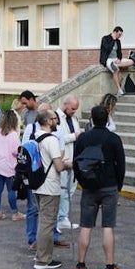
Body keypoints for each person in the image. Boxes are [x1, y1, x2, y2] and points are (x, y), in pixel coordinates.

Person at [73, 105, 128, 269]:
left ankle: (80, 265)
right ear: (107, 119)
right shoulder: (113, 139)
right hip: (109, 185)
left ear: (91, 119)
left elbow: (76, 162)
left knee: (85, 226)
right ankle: (109, 267)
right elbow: (121, 165)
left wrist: (82, 182)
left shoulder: (83, 138)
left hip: (89, 186)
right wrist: (117, 187)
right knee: (108, 227)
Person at [33, 108, 71, 269]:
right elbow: (58, 165)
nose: (57, 121)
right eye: (55, 118)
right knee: (47, 223)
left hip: (38, 184)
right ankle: (43, 260)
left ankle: (42, 256)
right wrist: (68, 164)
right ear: (48, 121)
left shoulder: (34, 136)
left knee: (43, 221)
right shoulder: (51, 140)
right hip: (49, 186)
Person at [0, 109, 23, 222]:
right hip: (9, 165)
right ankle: (14, 213)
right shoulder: (13, 135)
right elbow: (17, 151)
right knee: (11, 190)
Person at [54, 95, 81, 231]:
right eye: (72, 109)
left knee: (70, 190)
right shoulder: (56, 118)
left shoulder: (73, 118)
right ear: (65, 104)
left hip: (73, 159)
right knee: (62, 190)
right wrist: (74, 136)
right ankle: (60, 218)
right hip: (63, 160)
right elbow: (56, 139)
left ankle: (63, 217)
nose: (73, 111)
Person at [100, 26, 135, 96]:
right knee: (116, 70)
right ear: (114, 32)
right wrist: (113, 40)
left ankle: (115, 65)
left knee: (131, 61)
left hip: (116, 60)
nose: (120, 36)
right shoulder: (105, 38)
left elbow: (119, 52)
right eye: (119, 34)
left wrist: (119, 59)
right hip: (108, 59)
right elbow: (107, 48)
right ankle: (119, 90)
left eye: (121, 35)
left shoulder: (118, 41)